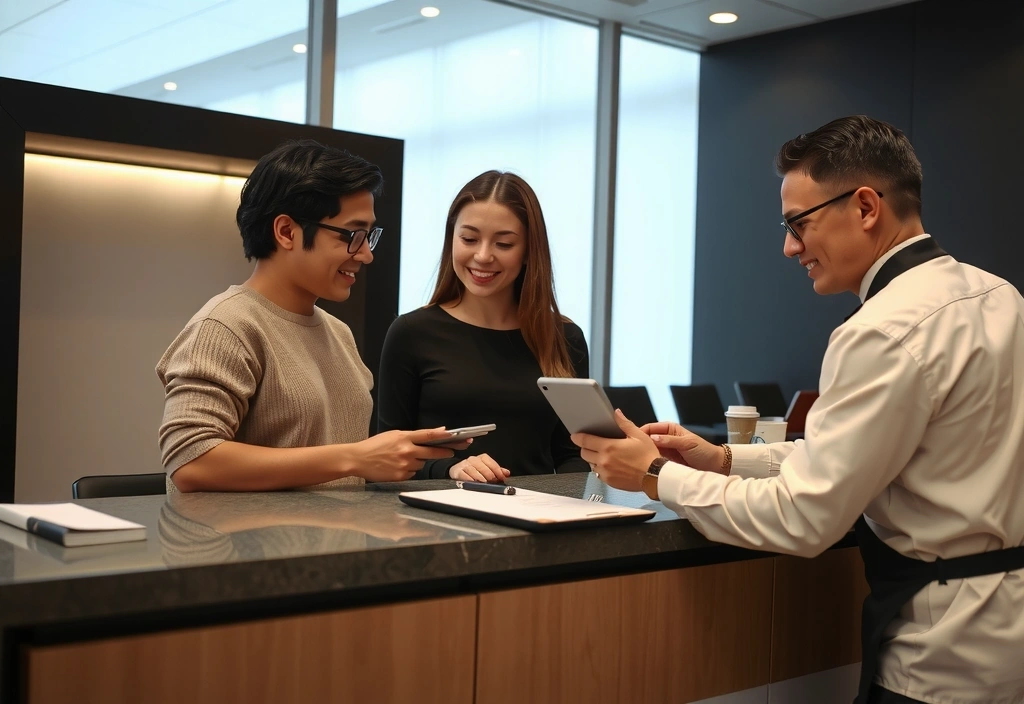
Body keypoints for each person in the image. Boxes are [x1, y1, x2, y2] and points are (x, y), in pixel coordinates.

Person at [572, 116, 1024, 704]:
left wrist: (656, 476)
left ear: (865, 207)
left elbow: (804, 517)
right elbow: (874, 452)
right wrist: (724, 459)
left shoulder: (881, 329)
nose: (790, 247)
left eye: (798, 223)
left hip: (942, 656)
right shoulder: (999, 295)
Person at [157, 139, 460, 492]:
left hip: (339, 542)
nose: (365, 255)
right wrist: (355, 458)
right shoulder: (226, 327)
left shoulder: (338, 332)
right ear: (287, 232)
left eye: (368, 237)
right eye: (353, 235)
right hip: (255, 548)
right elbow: (192, 462)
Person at [377, 170, 590, 482]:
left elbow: (573, 454)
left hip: (538, 519)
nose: (483, 255)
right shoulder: (411, 333)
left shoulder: (565, 339)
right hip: (438, 522)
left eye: (503, 244)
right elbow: (386, 455)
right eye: (469, 239)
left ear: (529, 250)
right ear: (451, 238)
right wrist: (450, 468)